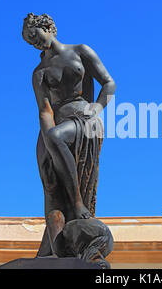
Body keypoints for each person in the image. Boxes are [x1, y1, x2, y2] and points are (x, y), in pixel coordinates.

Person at [22, 13, 116, 257]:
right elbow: (44, 111)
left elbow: (109, 83)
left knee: (55, 138)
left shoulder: (80, 50)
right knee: (51, 186)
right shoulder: (38, 72)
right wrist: (48, 140)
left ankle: (77, 204)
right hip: (53, 128)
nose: (34, 42)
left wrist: (96, 108)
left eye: (34, 35)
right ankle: (54, 250)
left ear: (48, 27)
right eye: (29, 41)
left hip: (83, 122)